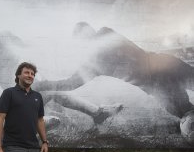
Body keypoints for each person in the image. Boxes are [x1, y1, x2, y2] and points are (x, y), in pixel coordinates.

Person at [35, 21, 194, 126]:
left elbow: (105, 41)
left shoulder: (105, 34)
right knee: (185, 112)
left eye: (87, 31)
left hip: (164, 65)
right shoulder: (94, 64)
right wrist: (41, 84)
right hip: (156, 85)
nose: (89, 35)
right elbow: (71, 83)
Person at [0, 62, 48, 152]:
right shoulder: (9, 93)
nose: (30, 75)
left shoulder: (37, 96)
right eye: (26, 72)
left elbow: (40, 120)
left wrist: (44, 142)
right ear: (18, 75)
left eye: (32, 74)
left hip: (33, 148)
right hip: (13, 147)